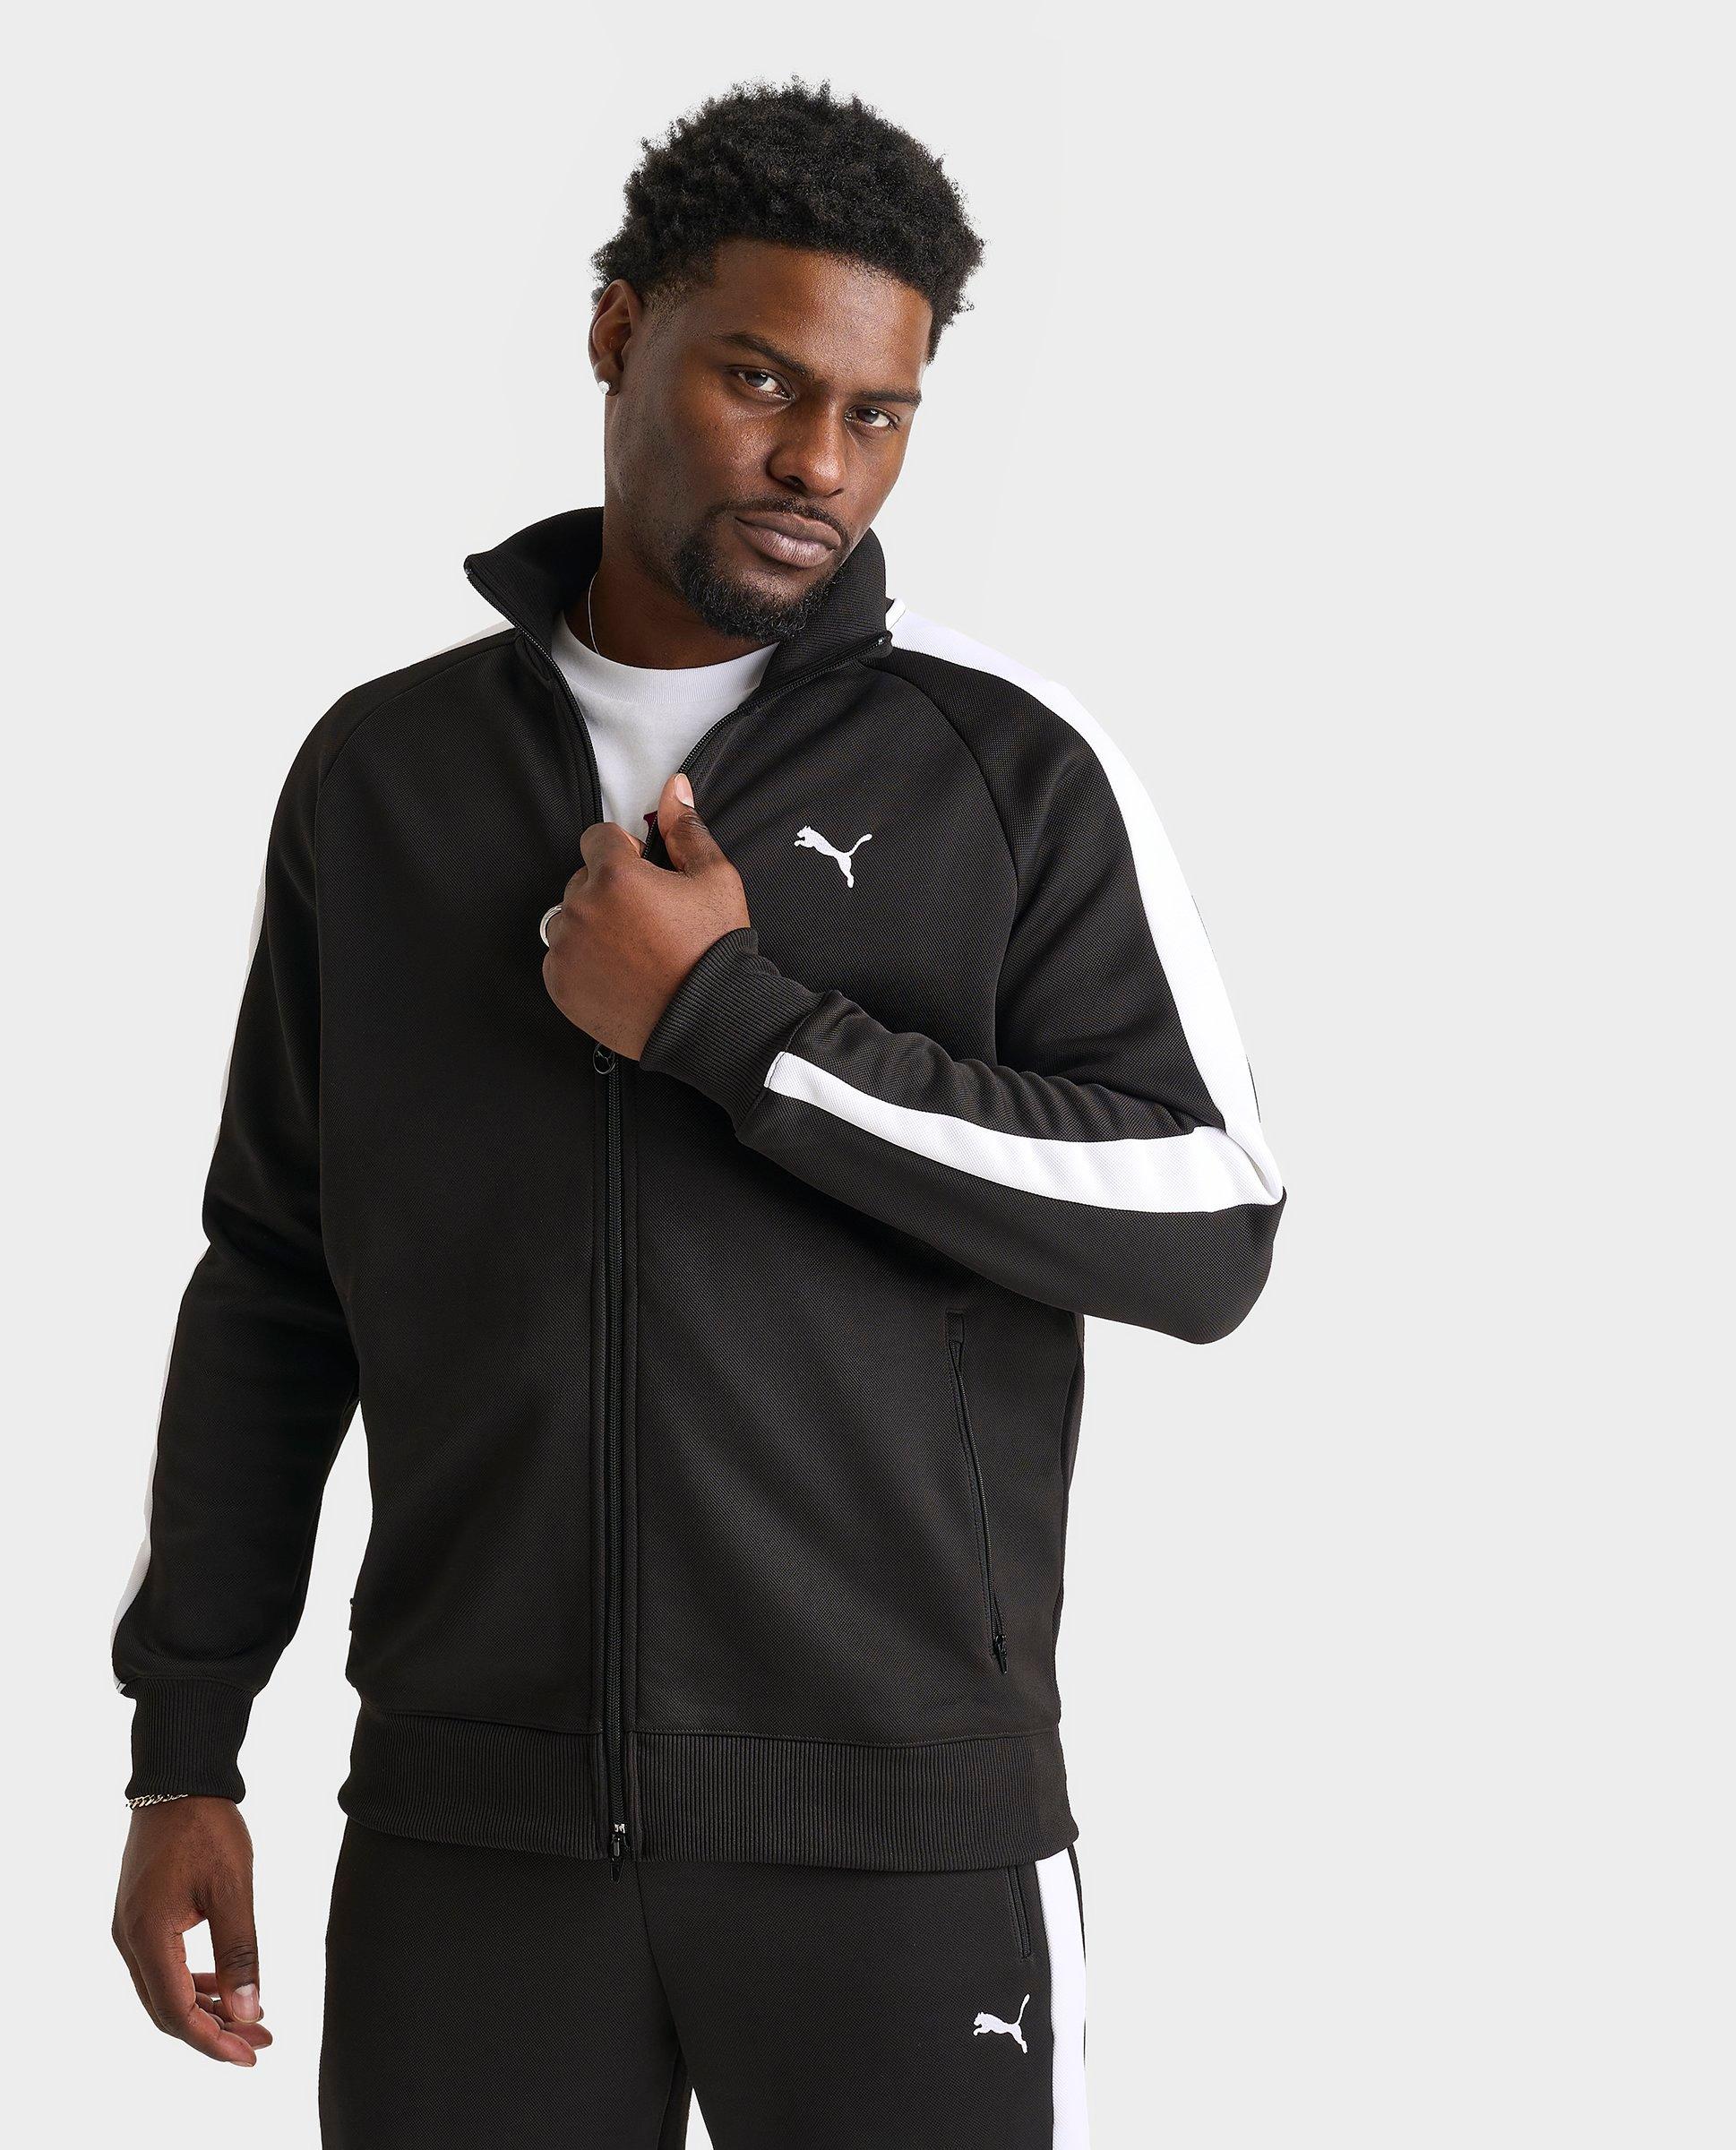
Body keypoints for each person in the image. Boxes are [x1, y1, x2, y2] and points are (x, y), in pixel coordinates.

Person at [109, 76, 1285, 2148]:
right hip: (473, 1838)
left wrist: (738, 1029)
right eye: (761, 380)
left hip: (896, 1840)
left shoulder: (1001, 769)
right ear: (616, 331)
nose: (820, 462)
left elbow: (1207, 1223)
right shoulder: (382, 775)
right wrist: (185, 1743)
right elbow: (278, 1276)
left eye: (879, 412)